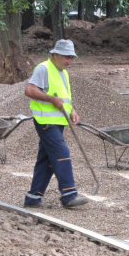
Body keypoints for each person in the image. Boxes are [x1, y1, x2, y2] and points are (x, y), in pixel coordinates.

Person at [23, 39, 89, 209]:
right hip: (45, 121)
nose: (69, 61)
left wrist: (72, 110)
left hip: (58, 121)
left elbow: (63, 96)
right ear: (56, 54)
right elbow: (29, 90)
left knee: (48, 160)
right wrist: (51, 99)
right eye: (67, 57)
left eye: (72, 58)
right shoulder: (44, 68)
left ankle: (33, 198)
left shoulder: (63, 72)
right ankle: (69, 194)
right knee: (62, 152)